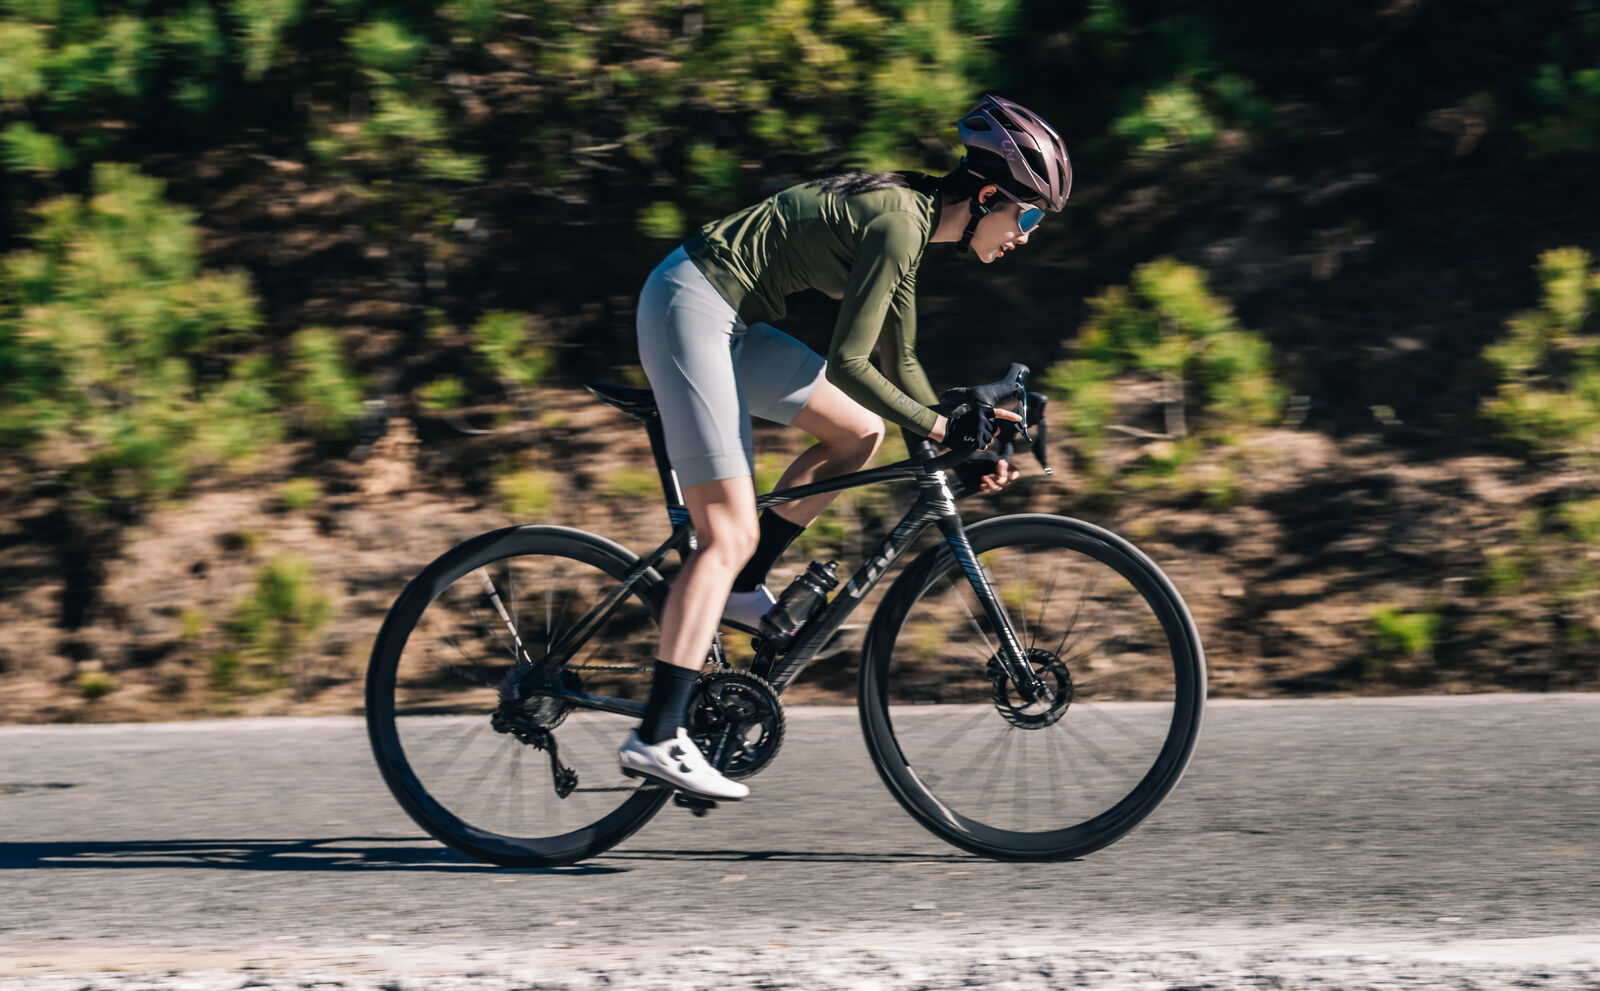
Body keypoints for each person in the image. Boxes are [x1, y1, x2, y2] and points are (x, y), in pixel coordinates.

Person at [617, 94, 1073, 800]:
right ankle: (658, 735)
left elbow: (901, 364)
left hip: (727, 318)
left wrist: (966, 440)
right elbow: (854, 363)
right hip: (692, 305)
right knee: (727, 533)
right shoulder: (899, 225)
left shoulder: (914, 227)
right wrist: (943, 429)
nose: (1027, 236)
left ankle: (742, 587)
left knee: (859, 432)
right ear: (988, 196)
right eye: (1030, 216)